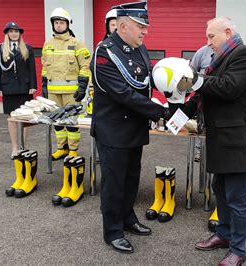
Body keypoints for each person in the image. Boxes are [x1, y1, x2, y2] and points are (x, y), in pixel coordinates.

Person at [179, 17, 246, 265]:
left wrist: (194, 77)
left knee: (237, 199)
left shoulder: (244, 54)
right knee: (221, 191)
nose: (208, 43)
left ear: (227, 32)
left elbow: (228, 87)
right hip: (222, 140)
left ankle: (238, 249)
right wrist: (179, 113)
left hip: (237, 141)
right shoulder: (219, 58)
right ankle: (224, 235)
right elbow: (205, 94)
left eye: (211, 37)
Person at [90, 2, 169, 254]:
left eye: (145, 26)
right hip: (113, 130)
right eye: (140, 26)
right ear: (123, 26)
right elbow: (123, 94)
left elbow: (147, 82)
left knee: (131, 179)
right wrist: (160, 111)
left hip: (135, 128)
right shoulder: (105, 52)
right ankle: (112, 231)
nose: (145, 31)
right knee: (114, 182)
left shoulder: (139, 48)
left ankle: (127, 218)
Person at [41, 7, 91, 160]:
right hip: (53, 92)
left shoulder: (77, 43)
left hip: (72, 92)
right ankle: (61, 148)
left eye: (61, 22)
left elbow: (85, 66)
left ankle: (73, 150)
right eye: (56, 22)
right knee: (57, 121)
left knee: (71, 121)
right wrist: (44, 85)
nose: (58, 25)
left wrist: (83, 86)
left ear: (68, 24)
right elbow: (44, 66)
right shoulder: (48, 44)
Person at [0, 22, 37, 157]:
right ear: (7, 33)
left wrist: (33, 86)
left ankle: (23, 147)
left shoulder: (27, 48)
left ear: (19, 34)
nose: (14, 33)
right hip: (8, 89)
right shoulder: (0, 49)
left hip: (24, 88)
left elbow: (32, 69)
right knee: (12, 119)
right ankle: (15, 147)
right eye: (11, 31)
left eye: (16, 31)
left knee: (24, 119)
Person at [189, 44, 214, 162]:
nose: (210, 41)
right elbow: (191, 71)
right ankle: (198, 151)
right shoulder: (202, 52)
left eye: (212, 36)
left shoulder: (229, 53)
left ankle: (213, 152)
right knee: (201, 125)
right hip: (202, 97)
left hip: (219, 96)